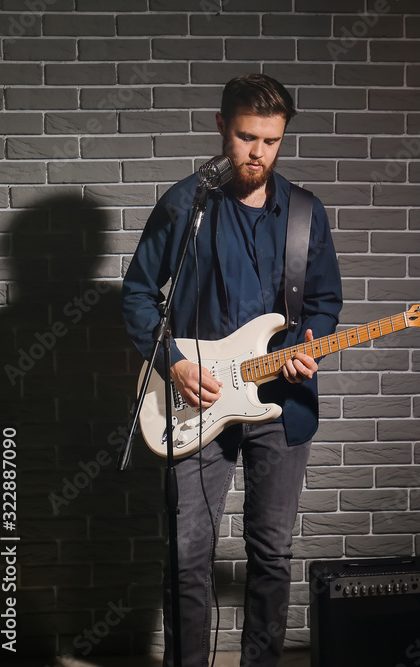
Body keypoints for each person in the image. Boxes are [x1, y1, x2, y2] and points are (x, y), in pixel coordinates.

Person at [121, 73, 342, 667]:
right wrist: (173, 365)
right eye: (247, 138)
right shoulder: (184, 204)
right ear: (223, 127)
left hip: (280, 401)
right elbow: (140, 295)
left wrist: (312, 344)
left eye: (271, 141)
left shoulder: (304, 214)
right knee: (188, 553)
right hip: (198, 398)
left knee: (271, 552)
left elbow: (323, 301)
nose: (258, 153)